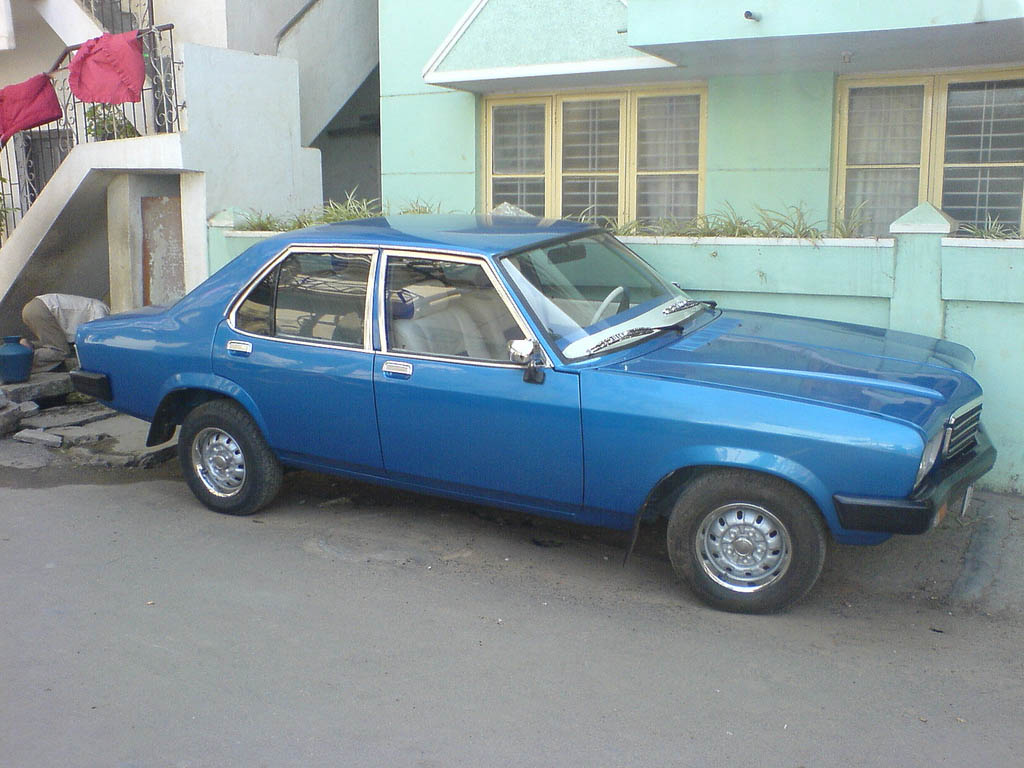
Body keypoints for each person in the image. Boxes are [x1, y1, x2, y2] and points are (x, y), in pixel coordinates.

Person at [21, 293, 109, 372]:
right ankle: (21, 360)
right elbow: (97, 340)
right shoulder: (102, 311)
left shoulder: (95, 305)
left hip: (35, 307)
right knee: (61, 351)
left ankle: (27, 346)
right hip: (42, 309)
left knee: (54, 345)